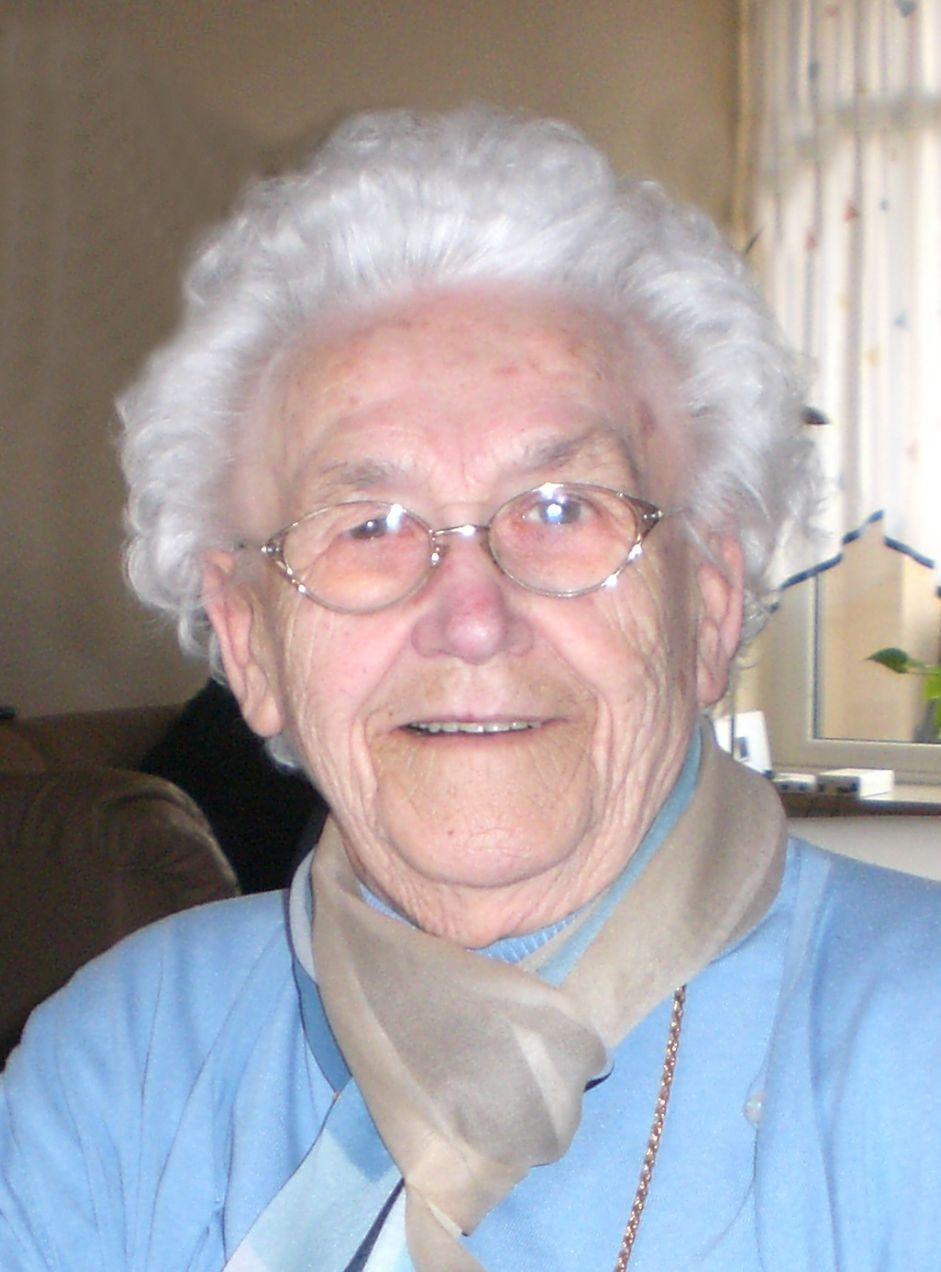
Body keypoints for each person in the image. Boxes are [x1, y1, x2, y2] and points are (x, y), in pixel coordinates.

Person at [2, 105, 939, 1272]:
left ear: (705, 605)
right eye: (368, 525)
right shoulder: (123, 1068)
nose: (471, 617)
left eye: (559, 508)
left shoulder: (914, 1055)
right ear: (249, 643)